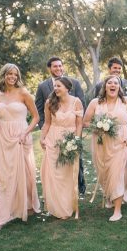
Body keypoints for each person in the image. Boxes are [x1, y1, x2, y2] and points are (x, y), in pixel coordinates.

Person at [0, 63, 41, 231]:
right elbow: (2, 118)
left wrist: (25, 133)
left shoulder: (23, 93)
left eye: (15, 74)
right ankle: (2, 217)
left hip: (21, 136)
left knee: (25, 172)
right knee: (3, 175)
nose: (12, 77)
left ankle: (28, 205)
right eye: (9, 74)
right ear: (4, 75)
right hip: (2, 137)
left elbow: (36, 118)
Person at [83, 75, 127, 221]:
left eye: (116, 83)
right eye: (110, 82)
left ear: (119, 87)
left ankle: (117, 210)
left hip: (122, 142)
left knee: (118, 174)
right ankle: (110, 195)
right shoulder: (96, 102)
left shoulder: (126, 101)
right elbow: (86, 122)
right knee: (105, 173)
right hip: (101, 143)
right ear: (105, 86)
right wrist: (99, 126)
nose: (113, 85)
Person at [35, 57, 87, 195]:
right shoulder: (42, 86)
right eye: (55, 66)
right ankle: (59, 194)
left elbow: (82, 106)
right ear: (50, 68)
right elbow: (39, 109)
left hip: (72, 129)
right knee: (55, 166)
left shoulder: (74, 83)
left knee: (76, 161)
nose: (58, 68)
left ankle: (79, 187)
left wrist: (77, 135)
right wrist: (45, 131)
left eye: (60, 66)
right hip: (53, 130)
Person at [39, 77, 83, 219]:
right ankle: (56, 207)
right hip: (53, 140)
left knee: (67, 174)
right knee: (53, 173)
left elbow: (79, 124)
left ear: (67, 88)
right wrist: (42, 138)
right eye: (54, 86)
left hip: (69, 140)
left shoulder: (76, 102)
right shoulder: (49, 102)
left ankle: (67, 205)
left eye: (59, 86)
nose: (56, 88)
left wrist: (76, 140)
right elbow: (46, 123)